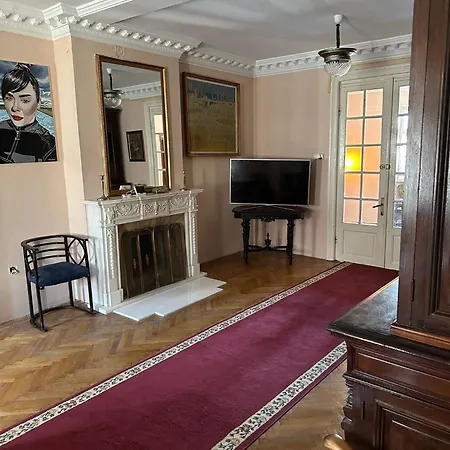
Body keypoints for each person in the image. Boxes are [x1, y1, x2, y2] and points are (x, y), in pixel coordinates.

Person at [0, 63, 56, 163]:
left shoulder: (48, 145)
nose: (15, 108)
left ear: (38, 103)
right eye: (9, 98)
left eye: (25, 100)